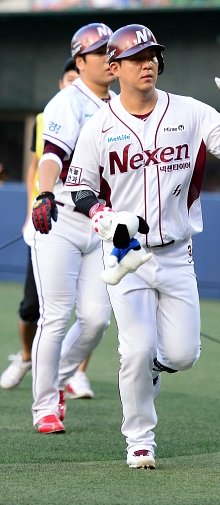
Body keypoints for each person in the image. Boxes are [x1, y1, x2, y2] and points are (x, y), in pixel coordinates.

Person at [65, 24, 220, 469]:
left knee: (182, 355)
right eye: (135, 57)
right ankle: (140, 439)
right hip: (125, 253)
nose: (147, 62)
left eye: (152, 54)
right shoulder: (99, 126)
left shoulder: (188, 111)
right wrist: (99, 214)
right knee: (133, 348)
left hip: (175, 251)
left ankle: (154, 368)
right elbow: (79, 187)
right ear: (114, 68)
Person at [30, 23, 116, 434]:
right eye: (99, 51)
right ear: (80, 61)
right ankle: (44, 406)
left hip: (101, 224)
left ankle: (58, 382)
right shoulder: (68, 101)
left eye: (111, 49)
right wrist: (44, 194)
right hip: (63, 218)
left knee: (97, 319)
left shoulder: (121, 104)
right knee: (56, 315)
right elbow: (51, 155)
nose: (109, 56)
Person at [0, 58, 97, 396]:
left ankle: (73, 374)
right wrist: (37, 202)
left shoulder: (114, 108)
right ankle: (27, 358)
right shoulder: (50, 114)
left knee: (94, 316)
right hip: (52, 218)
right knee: (35, 307)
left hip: (97, 222)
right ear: (62, 83)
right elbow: (40, 164)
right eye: (70, 78)